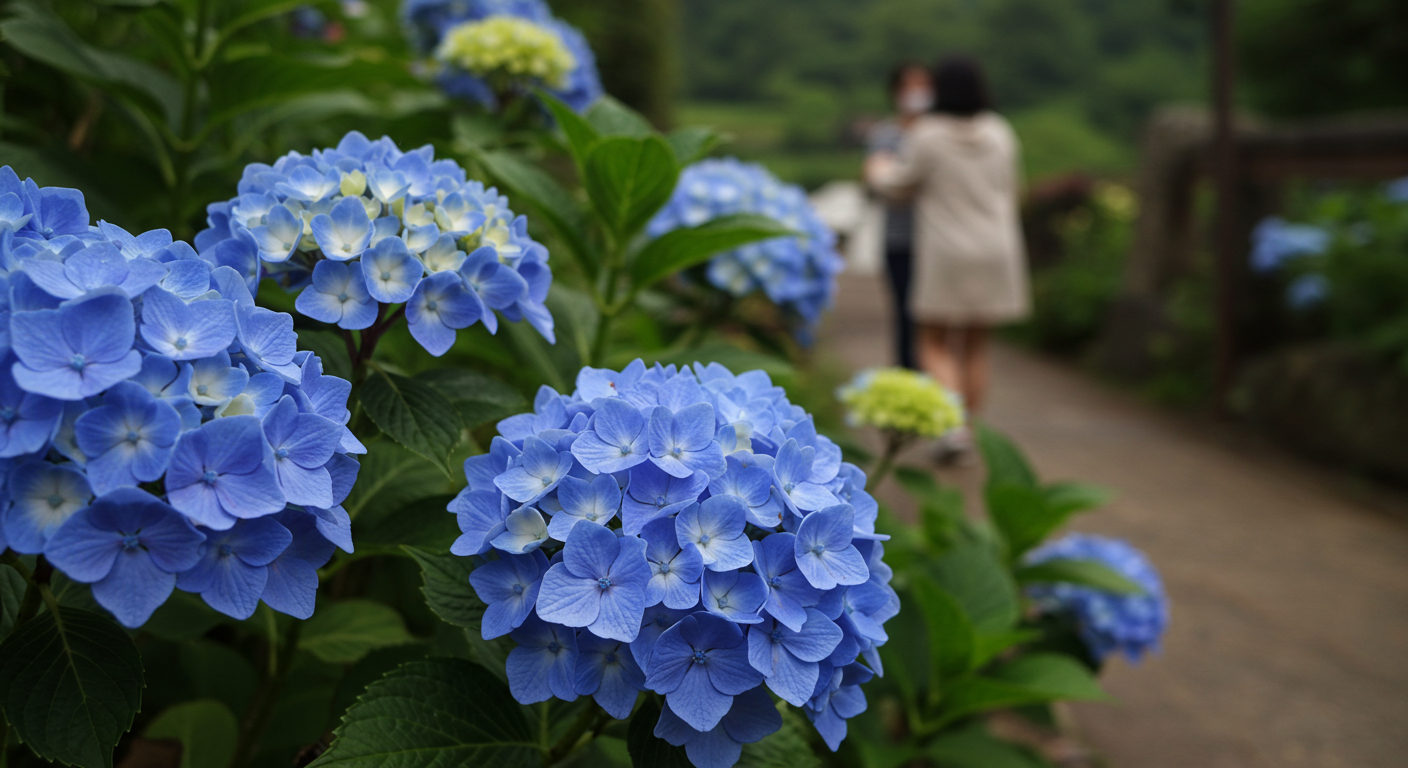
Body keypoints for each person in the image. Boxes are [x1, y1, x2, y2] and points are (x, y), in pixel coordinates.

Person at [865, 56, 1030, 447]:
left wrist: (877, 170)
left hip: (947, 252)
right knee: (975, 344)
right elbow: (1015, 187)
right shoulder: (1000, 131)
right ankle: (970, 432)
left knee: (933, 340)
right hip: (998, 249)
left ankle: (952, 429)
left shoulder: (929, 134)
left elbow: (898, 187)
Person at [865, 62, 934, 370]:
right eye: (910, 87)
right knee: (905, 319)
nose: (917, 94)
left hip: (937, 242)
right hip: (900, 239)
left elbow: (887, 177)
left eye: (924, 86)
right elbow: (876, 182)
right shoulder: (885, 134)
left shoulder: (938, 133)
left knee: (934, 324)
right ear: (895, 93)